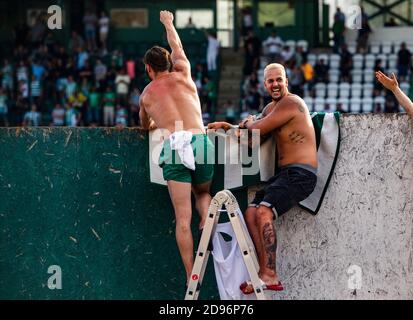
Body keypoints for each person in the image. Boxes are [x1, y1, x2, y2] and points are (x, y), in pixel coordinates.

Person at [208, 63, 317, 293]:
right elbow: (250, 139)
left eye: (279, 79)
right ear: (264, 84)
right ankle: (261, 271)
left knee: (263, 211)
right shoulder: (270, 108)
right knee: (250, 211)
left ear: (287, 81)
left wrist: (248, 124)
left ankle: (270, 274)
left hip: (301, 174)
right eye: (271, 81)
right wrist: (229, 127)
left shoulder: (292, 102)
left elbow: (255, 128)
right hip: (284, 175)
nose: (275, 84)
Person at [139, 10, 215, 287]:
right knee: (204, 192)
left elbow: (143, 124)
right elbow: (177, 46)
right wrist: (169, 23)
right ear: (170, 63)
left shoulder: (147, 94)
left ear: (149, 69)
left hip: (174, 146)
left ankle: (190, 276)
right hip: (200, 140)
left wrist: (153, 118)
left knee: (182, 220)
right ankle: (206, 219)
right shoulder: (184, 73)